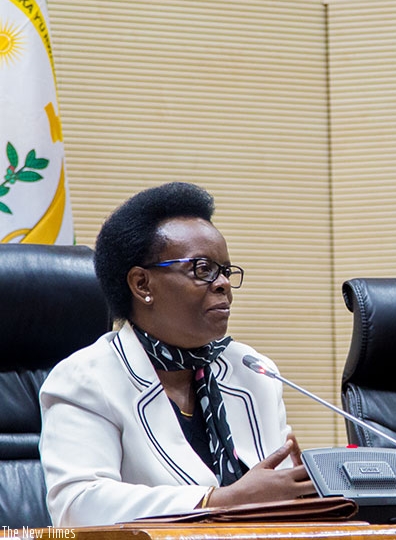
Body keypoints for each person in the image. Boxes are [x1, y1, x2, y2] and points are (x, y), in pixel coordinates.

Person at [39, 182, 316, 526]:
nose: (223, 284)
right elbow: (77, 506)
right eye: (202, 269)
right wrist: (219, 500)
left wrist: (308, 490)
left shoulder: (253, 372)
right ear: (142, 284)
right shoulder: (86, 378)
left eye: (226, 272)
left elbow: (276, 498)